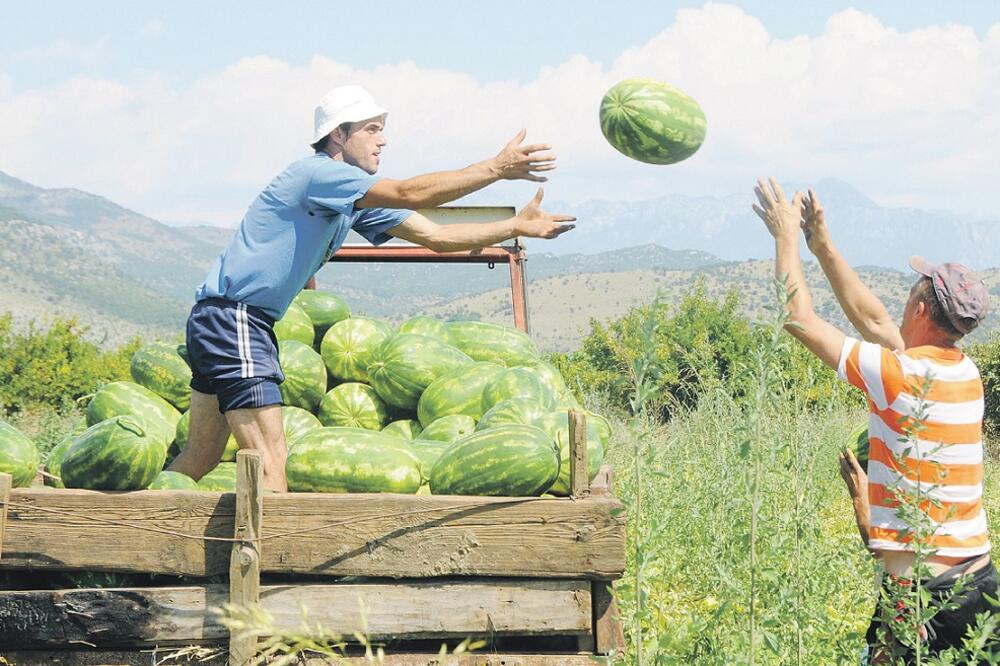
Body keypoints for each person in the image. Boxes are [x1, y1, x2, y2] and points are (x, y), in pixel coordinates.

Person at [168, 85, 576, 491]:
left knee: (199, 457)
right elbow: (410, 193)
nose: (383, 139)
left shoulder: (349, 197)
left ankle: (122, 522)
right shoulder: (319, 174)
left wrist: (515, 226)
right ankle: (275, 555)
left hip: (224, 319)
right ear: (338, 136)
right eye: (372, 129)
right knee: (272, 463)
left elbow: (436, 237)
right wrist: (495, 168)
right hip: (235, 318)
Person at [752, 177, 993, 662]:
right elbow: (878, 323)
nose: (899, 304)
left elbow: (798, 319)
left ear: (921, 308)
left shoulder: (899, 375)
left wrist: (785, 237)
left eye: (909, 293)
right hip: (978, 583)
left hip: (924, 593)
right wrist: (822, 246)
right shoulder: (963, 373)